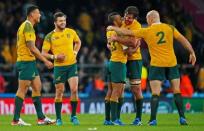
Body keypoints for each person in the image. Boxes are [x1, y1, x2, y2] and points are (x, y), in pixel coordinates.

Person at [107, 10, 196, 126]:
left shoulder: (147, 31)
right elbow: (183, 39)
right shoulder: (170, 28)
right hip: (172, 63)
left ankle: (153, 120)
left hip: (157, 64)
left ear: (150, 19)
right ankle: (182, 118)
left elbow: (127, 33)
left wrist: (113, 28)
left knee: (155, 93)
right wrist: (192, 52)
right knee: (177, 91)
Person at [12, 5, 55, 126]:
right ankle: (16, 120)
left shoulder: (27, 26)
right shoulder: (27, 26)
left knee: (37, 87)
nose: (40, 15)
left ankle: (41, 118)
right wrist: (45, 61)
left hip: (29, 62)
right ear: (32, 15)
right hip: (26, 61)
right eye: (38, 13)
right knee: (22, 90)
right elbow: (32, 47)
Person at [42, 12, 81, 126]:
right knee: (59, 92)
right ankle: (59, 118)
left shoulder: (71, 32)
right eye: (60, 21)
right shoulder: (49, 36)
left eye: (64, 20)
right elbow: (43, 53)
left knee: (74, 90)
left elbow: (78, 42)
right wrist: (55, 57)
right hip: (59, 67)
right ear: (55, 22)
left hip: (72, 65)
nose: (63, 22)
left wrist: (75, 52)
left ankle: (73, 116)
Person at [104, 12, 138, 125]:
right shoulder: (117, 32)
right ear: (115, 21)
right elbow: (126, 50)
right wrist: (136, 47)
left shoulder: (109, 31)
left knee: (111, 91)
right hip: (118, 63)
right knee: (116, 92)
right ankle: (115, 120)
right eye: (120, 18)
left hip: (112, 62)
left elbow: (110, 45)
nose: (122, 19)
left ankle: (107, 120)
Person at [121, 6, 144, 125]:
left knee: (136, 89)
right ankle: (116, 119)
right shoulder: (120, 23)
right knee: (118, 88)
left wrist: (119, 39)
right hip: (121, 59)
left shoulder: (137, 26)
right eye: (126, 16)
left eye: (130, 18)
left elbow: (134, 44)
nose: (127, 19)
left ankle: (138, 118)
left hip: (134, 60)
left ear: (134, 18)